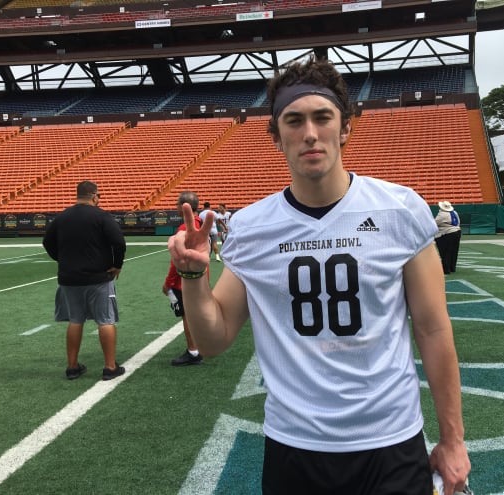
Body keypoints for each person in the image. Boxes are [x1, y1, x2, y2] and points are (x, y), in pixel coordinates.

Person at [168, 57, 470, 495]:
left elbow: (433, 328)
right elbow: (214, 341)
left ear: (345, 127)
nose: (309, 133)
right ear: (276, 136)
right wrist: (192, 276)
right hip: (296, 446)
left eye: (322, 117)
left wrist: (453, 439)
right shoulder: (253, 228)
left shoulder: (400, 210)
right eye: (294, 120)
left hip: (390, 440)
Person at [42, 180, 126, 381]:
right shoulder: (101, 216)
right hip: (98, 277)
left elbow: (47, 242)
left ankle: (72, 367)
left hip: (69, 278)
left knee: (75, 320)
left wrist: (62, 259)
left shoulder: (62, 217)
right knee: (105, 320)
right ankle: (110, 367)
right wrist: (117, 264)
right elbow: (119, 242)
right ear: (94, 196)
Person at [163, 191, 204, 366]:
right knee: (194, 314)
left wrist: (168, 282)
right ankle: (198, 347)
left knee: (187, 315)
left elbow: (178, 260)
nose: (175, 207)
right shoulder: (200, 223)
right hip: (199, 276)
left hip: (186, 280)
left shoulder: (185, 228)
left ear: (184, 206)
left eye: (177, 204)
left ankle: (193, 351)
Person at [434, 200, 462, 275]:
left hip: (447, 234)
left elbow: (435, 223)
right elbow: (458, 222)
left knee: (445, 252)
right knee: (454, 251)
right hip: (457, 232)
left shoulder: (442, 214)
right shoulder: (454, 212)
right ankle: (452, 267)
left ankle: (446, 269)